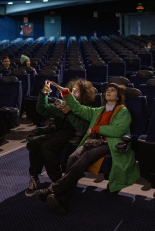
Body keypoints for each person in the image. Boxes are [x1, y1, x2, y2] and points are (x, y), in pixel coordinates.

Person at [35, 82, 139, 214]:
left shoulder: (123, 111)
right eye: (107, 90)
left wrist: (96, 128)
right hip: (93, 142)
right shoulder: (99, 110)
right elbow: (78, 109)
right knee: (72, 157)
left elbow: (118, 131)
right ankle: (60, 201)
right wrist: (66, 93)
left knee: (87, 156)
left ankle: (53, 190)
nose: (108, 92)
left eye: (112, 90)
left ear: (118, 97)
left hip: (110, 144)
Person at [25, 78, 96, 197]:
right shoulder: (62, 103)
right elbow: (42, 110)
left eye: (77, 91)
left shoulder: (86, 108)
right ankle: (34, 177)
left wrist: (69, 113)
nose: (73, 93)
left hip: (72, 136)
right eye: (72, 90)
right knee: (34, 142)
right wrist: (44, 94)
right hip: (57, 133)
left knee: (47, 146)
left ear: (84, 93)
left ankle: (57, 182)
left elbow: (81, 128)